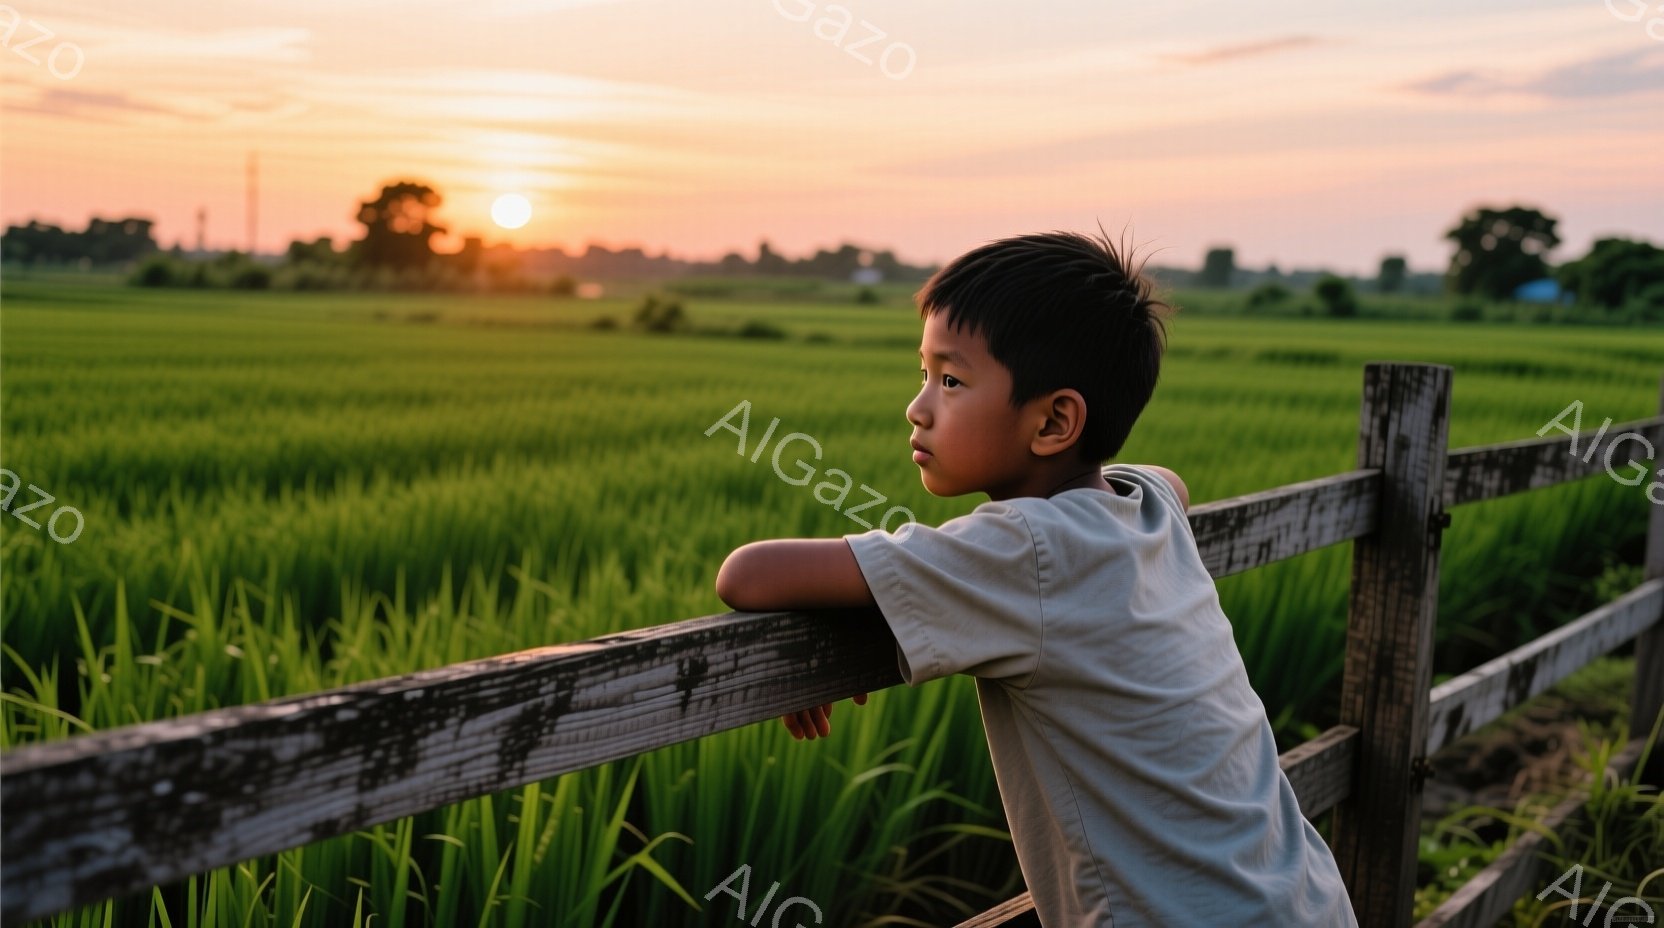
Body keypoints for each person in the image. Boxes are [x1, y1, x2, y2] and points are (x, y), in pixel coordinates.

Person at [714, 227, 1358, 927]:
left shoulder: (1026, 546)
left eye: (952, 381)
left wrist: (850, 607)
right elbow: (1171, 479)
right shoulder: (1145, 506)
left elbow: (747, 574)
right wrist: (874, 602)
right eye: (923, 374)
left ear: (1054, 422)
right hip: (1302, 898)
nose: (918, 406)